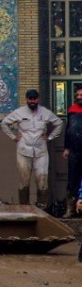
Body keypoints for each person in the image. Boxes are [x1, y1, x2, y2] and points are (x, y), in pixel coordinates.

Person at [1, 89, 63, 209]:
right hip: (23, 151)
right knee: (24, 181)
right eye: (30, 99)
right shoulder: (19, 112)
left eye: (35, 99)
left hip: (41, 151)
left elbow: (59, 123)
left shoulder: (45, 112)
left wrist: (50, 137)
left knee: (42, 180)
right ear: (26, 99)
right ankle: (24, 208)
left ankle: (42, 209)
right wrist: (13, 137)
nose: (32, 101)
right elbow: (4, 123)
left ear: (38, 99)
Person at [63, 85, 82, 217]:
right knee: (72, 180)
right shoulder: (72, 110)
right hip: (74, 151)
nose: (79, 97)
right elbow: (68, 129)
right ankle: (70, 209)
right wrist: (66, 147)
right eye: (78, 95)